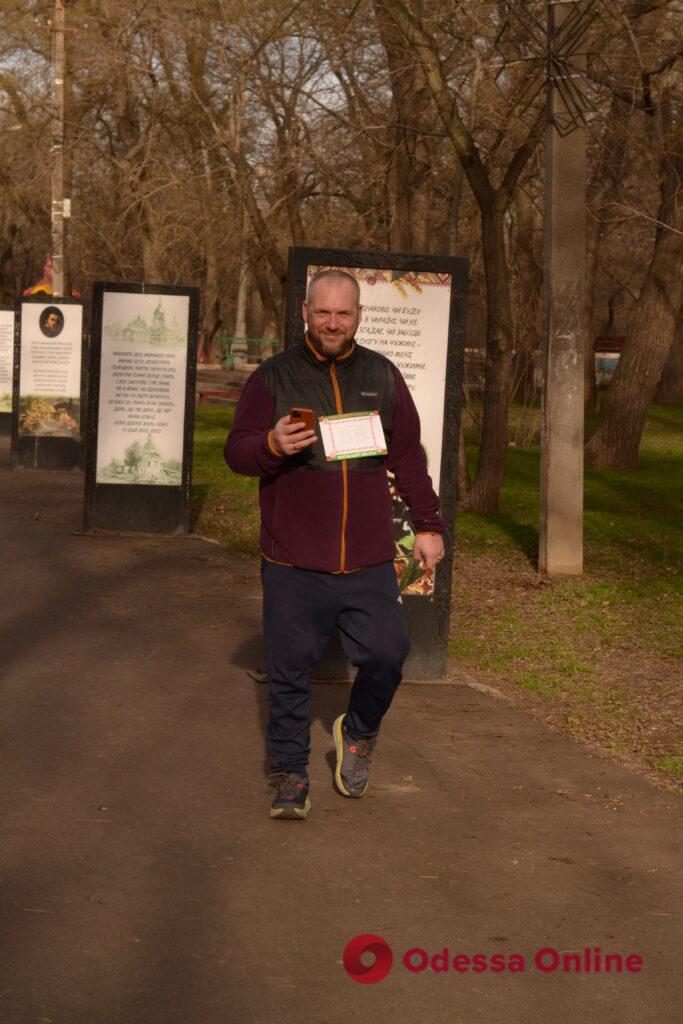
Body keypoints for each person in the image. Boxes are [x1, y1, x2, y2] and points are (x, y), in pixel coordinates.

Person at [224, 269, 445, 820]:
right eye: (322, 311)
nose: (332, 322)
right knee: (290, 670)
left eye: (343, 314)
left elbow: (408, 458)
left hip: (367, 558)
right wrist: (271, 444)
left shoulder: (382, 375)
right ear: (304, 311)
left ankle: (360, 733)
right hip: (292, 558)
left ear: (358, 317)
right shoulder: (273, 377)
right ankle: (291, 773)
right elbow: (236, 451)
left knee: (388, 655)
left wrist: (430, 524)